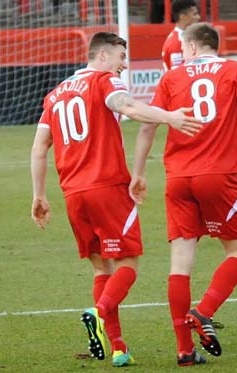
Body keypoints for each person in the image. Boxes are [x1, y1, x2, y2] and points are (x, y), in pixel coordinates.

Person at [30, 32, 201, 367]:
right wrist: (170, 117)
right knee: (128, 263)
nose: (125, 64)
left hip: (73, 193)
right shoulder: (105, 80)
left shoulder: (55, 95)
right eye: (122, 56)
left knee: (100, 267)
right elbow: (125, 106)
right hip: (106, 187)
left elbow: (39, 148)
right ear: (103, 56)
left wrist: (39, 195)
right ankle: (99, 312)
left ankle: (120, 347)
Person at [130, 22, 237, 366]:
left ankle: (183, 349)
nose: (181, 52)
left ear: (194, 47)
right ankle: (204, 311)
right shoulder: (236, 69)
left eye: (183, 47)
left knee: (180, 263)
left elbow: (149, 124)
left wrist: (137, 172)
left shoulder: (171, 78)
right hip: (218, 174)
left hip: (178, 178)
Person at [161, 0, 200, 71]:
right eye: (194, 14)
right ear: (183, 16)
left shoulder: (181, 37)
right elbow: (177, 74)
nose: (198, 17)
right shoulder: (178, 42)